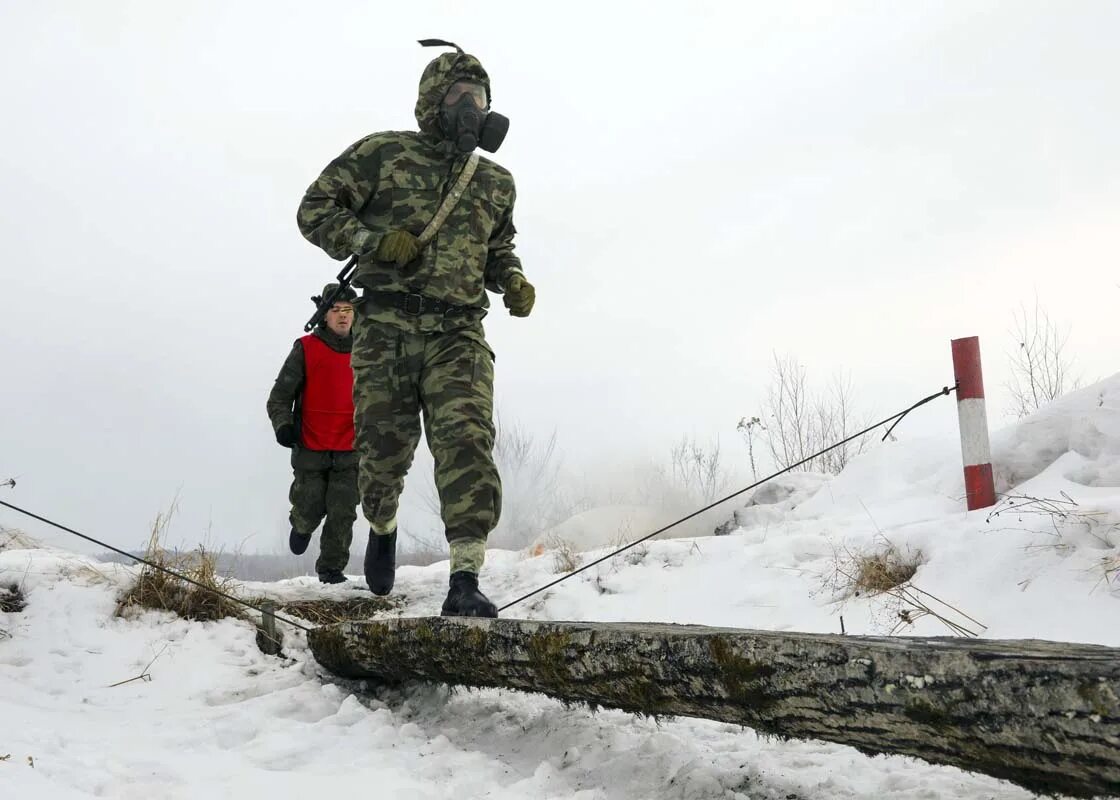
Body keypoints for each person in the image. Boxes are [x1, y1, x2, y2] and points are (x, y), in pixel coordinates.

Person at [295, 40, 535, 616]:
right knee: (382, 449)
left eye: (480, 97)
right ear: (433, 102)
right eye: (460, 96)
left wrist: (515, 279)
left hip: (459, 334)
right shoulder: (383, 154)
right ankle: (382, 523)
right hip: (387, 327)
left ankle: (465, 576)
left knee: (467, 445)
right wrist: (371, 242)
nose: (472, 107)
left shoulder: (495, 181)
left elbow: (499, 246)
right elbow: (314, 209)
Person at [266, 284, 360, 584]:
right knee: (310, 505)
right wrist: (283, 425)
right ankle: (302, 525)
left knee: (342, 512)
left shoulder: (369, 352)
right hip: (311, 446)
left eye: (348, 310)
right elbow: (279, 397)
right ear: (324, 314)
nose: (342, 316)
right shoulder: (306, 348)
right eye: (336, 310)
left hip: (352, 447)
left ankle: (331, 570)